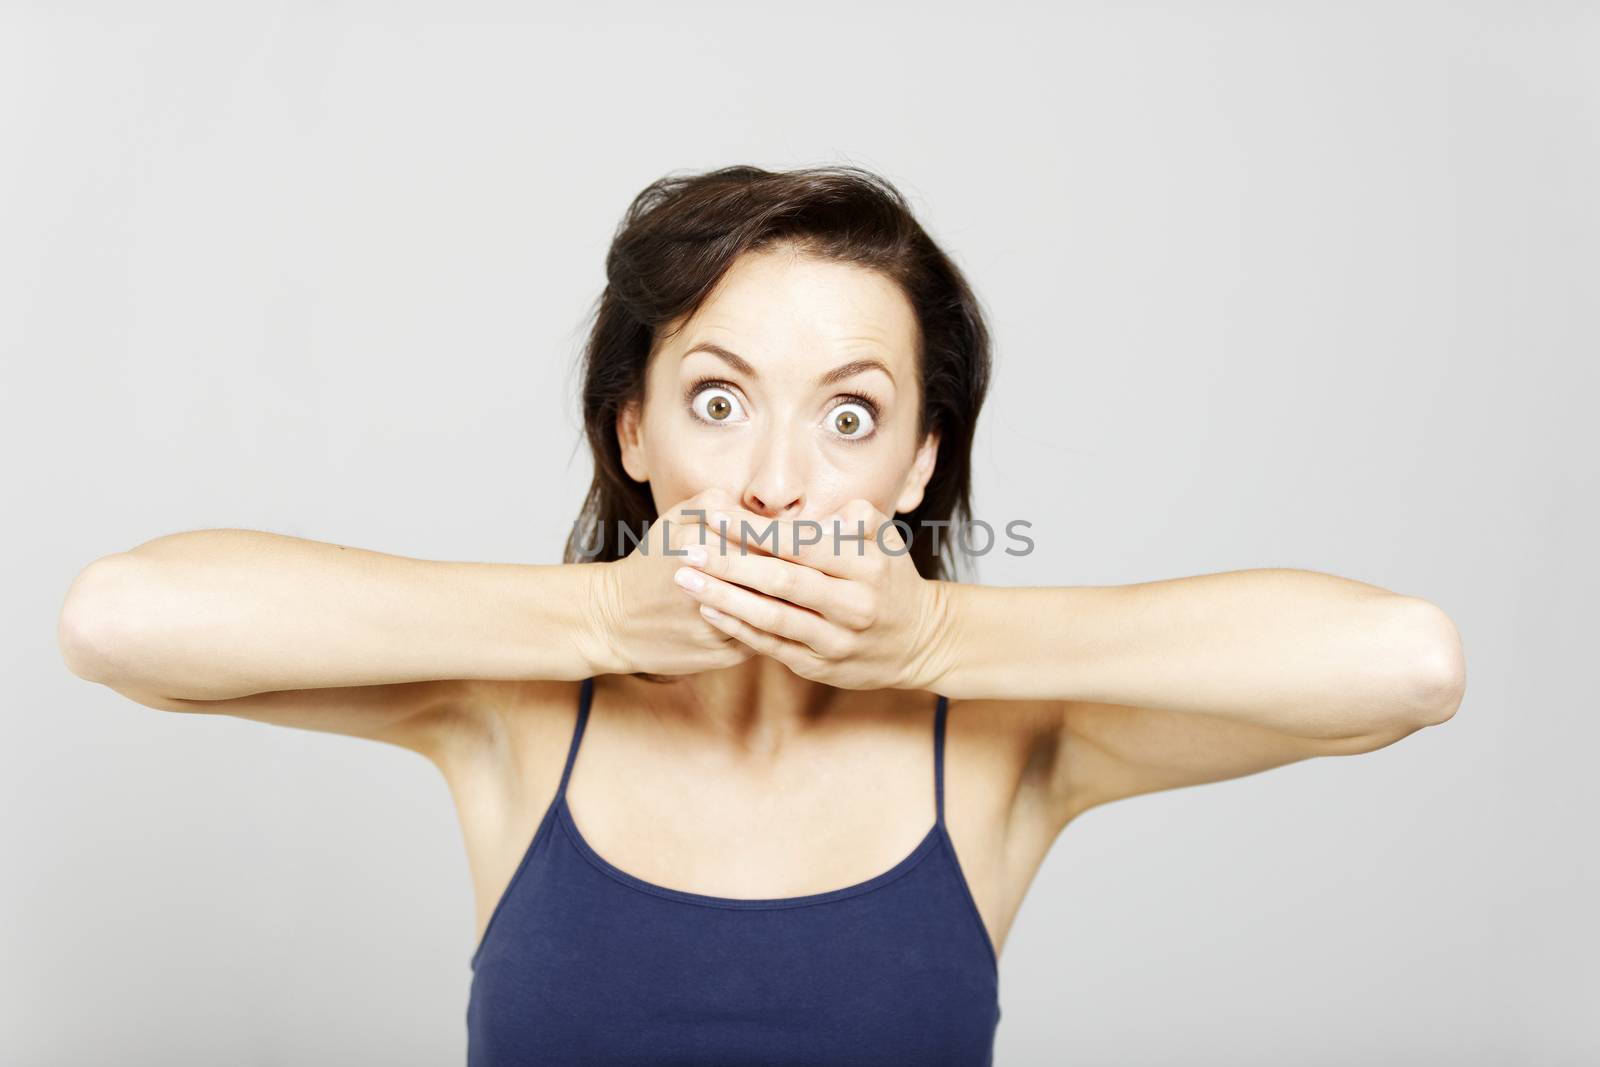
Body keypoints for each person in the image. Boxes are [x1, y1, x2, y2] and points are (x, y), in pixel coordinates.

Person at [57, 164, 1467, 1065]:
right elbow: (123, 620)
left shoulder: (1000, 749)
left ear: (918, 465)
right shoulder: (515, 712)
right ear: (633, 431)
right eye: (719, 401)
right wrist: (600, 621)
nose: (779, 483)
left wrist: (937, 644)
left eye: (849, 414)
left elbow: (1403, 665)